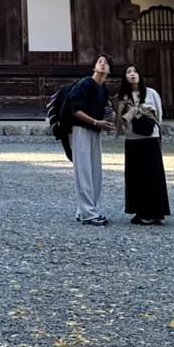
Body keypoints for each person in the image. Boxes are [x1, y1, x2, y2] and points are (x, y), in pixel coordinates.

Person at [115, 64, 170, 225]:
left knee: (153, 175)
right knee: (136, 177)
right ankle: (140, 211)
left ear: (140, 75)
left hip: (150, 137)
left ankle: (156, 212)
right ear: (125, 77)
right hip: (132, 139)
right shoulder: (122, 97)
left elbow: (158, 115)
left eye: (135, 71)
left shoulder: (151, 93)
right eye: (128, 72)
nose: (132, 74)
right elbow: (119, 119)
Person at [67, 55, 117, 224]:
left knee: (95, 171)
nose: (103, 65)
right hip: (81, 129)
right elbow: (75, 110)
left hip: (95, 131)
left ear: (109, 70)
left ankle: (86, 210)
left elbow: (104, 110)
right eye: (100, 62)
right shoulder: (84, 84)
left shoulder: (103, 89)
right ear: (94, 67)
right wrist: (96, 122)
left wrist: (106, 123)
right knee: (84, 171)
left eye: (106, 63)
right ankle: (88, 214)